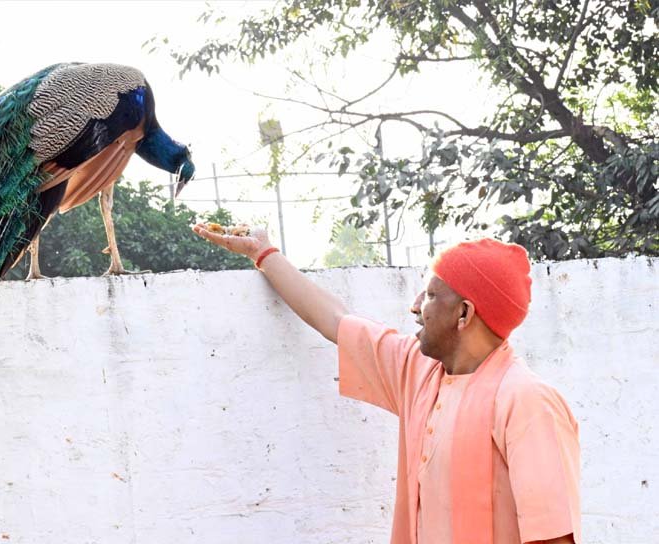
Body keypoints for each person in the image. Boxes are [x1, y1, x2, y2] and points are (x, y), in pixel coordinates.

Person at [191, 224, 580, 544]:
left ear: (464, 314)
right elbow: (336, 321)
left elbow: (554, 538)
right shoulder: (418, 370)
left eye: (431, 295)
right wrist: (264, 253)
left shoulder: (526, 401)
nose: (415, 306)